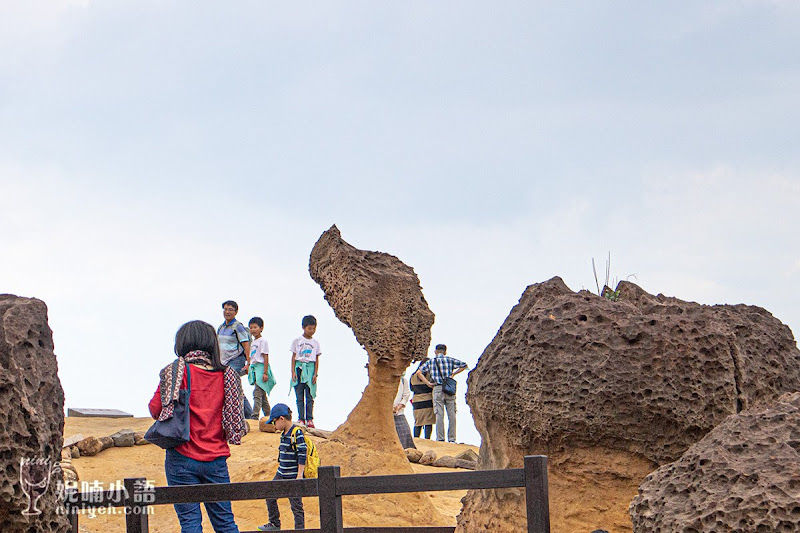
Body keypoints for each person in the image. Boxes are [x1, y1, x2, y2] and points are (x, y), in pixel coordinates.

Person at [148, 320, 249, 533]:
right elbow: (237, 418)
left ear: (182, 343)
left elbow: (156, 409)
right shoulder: (227, 375)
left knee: (191, 525)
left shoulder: (176, 372)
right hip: (216, 461)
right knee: (225, 524)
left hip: (181, 459)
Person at [258, 403, 305, 531]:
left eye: (274, 422)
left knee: (296, 505)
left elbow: (302, 453)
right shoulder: (283, 434)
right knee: (270, 495)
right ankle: (274, 523)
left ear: (281, 419)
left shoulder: (297, 433)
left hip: (292, 475)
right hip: (281, 473)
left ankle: (300, 529)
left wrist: (299, 475)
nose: (274, 426)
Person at [414, 344, 467, 443]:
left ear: (435, 351)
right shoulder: (450, 360)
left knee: (439, 415)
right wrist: (453, 374)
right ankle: (452, 439)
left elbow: (419, 373)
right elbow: (464, 365)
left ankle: (440, 439)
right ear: (445, 352)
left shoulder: (431, 362)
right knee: (451, 414)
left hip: (437, 388)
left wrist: (428, 383)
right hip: (449, 388)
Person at [217, 300, 253, 418]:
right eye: (225, 309)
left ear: (236, 312)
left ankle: (248, 414)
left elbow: (246, 345)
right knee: (232, 386)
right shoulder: (221, 327)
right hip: (224, 361)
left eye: (230, 310)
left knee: (231, 384)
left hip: (236, 360)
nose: (227, 312)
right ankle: (247, 413)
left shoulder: (238, 327)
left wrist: (248, 363)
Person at [289, 315, 321, 428]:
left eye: (313, 328)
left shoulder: (316, 343)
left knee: (310, 395)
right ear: (303, 327)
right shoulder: (297, 341)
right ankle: (301, 418)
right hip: (299, 368)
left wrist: (315, 374)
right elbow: (293, 357)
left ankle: (310, 419)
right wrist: (293, 371)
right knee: (299, 395)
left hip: (310, 369)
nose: (311, 331)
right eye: (309, 328)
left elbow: (316, 359)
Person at [247, 317, 275, 420]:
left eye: (255, 327)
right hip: (255, 369)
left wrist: (265, 372)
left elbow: (265, 356)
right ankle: (269, 415)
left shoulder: (263, 341)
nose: (253, 330)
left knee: (257, 393)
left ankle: (254, 415)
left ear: (261, 328)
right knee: (262, 395)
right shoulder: (253, 342)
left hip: (261, 368)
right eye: (251, 328)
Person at [409, 357, 435, 439]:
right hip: (428, 399)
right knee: (428, 422)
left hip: (416, 400)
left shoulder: (413, 376)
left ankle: (416, 439)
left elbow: (411, 389)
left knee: (418, 422)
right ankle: (427, 440)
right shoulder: (430, 375)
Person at [393, 373, 416, 449]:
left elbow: (406, 395)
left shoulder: (403, 381)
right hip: (385, 415)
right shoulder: (384, 380)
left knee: (405, 433)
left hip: (399, 413)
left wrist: (399, 407)